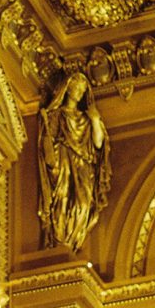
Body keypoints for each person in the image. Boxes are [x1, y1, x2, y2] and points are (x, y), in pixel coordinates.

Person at [38, 72, 111, 252]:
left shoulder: (87, 118)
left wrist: (95, 119)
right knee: (62, 198)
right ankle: (61, 237)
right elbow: (49, 141)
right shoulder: (57, 115)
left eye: (82, 89)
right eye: (76, 87)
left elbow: (98, 143)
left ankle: (72, 239)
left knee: (84, 203)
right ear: (67, 88)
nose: (79, 92)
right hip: (64, 161)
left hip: (84, 164)